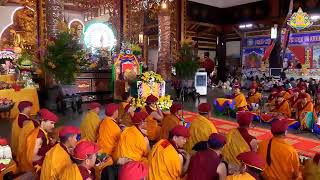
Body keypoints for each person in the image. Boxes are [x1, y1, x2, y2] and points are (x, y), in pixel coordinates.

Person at [26, 109, 59, 173]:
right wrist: (48, 158)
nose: (53, 126)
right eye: (51, 123)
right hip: (39, 165)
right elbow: (32, 157)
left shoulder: (42, 132)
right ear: (43, 121)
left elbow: (44, 145)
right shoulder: (38, 137)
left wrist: (52, 142)